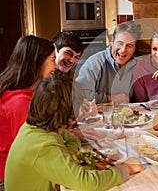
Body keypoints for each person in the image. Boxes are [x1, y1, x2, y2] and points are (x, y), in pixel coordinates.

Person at [5, 75, 144, 191]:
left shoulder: (37, 128)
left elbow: (73, 141)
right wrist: (124, 169)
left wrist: (62, 160)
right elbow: (86, 183)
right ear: (70, 113)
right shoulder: (43, 146)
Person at [0, 35, 58, 190]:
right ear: (38, 62)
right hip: (9, 177)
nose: (56, 66)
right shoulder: (20, 102)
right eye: (53, 60)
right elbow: (34, 149)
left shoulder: (24, 93)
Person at [75, 21, 142, 104]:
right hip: (98, 115)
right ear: (112, 41)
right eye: (120, 43)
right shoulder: (94, 63)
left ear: (134, 48)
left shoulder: (137, 66)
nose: (123, 50)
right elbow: (79, 95)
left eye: (129, 45)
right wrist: (110, 98)